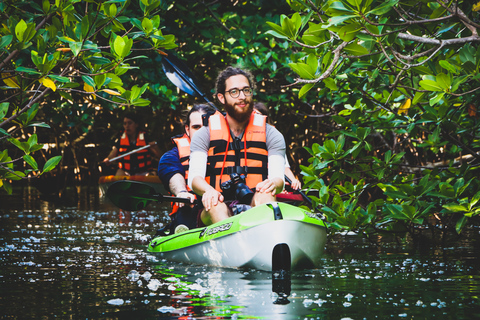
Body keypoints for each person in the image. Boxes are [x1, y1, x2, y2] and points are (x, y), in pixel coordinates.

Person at [188, 66, 286, 226]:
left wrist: (272, 183)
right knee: (214, 204)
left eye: (246, 90)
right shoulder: (204, 134)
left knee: (267, 195)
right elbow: (194, 178)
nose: (242, 97)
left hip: (254, 201)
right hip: (216, 203)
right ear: (221, 97)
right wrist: (208, 190)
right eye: (234, 92)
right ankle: (232, 238)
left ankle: (259, 235)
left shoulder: (272, 134)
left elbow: (278, 179)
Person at [157, 103, 216, 232]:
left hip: (220, 206)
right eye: (196, 127)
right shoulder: (172, 156)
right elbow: (171, 172)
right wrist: (181, 192)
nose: (202, 132)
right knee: (185, 214)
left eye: (206, 126)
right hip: (191, 209)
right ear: (187, 130)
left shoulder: (231, 150)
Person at [253, 102, 301, 190]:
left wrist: (293, 180)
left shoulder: (272, 137)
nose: (254, 117)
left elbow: (284, 167)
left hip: (268, 186)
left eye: (257, 114)